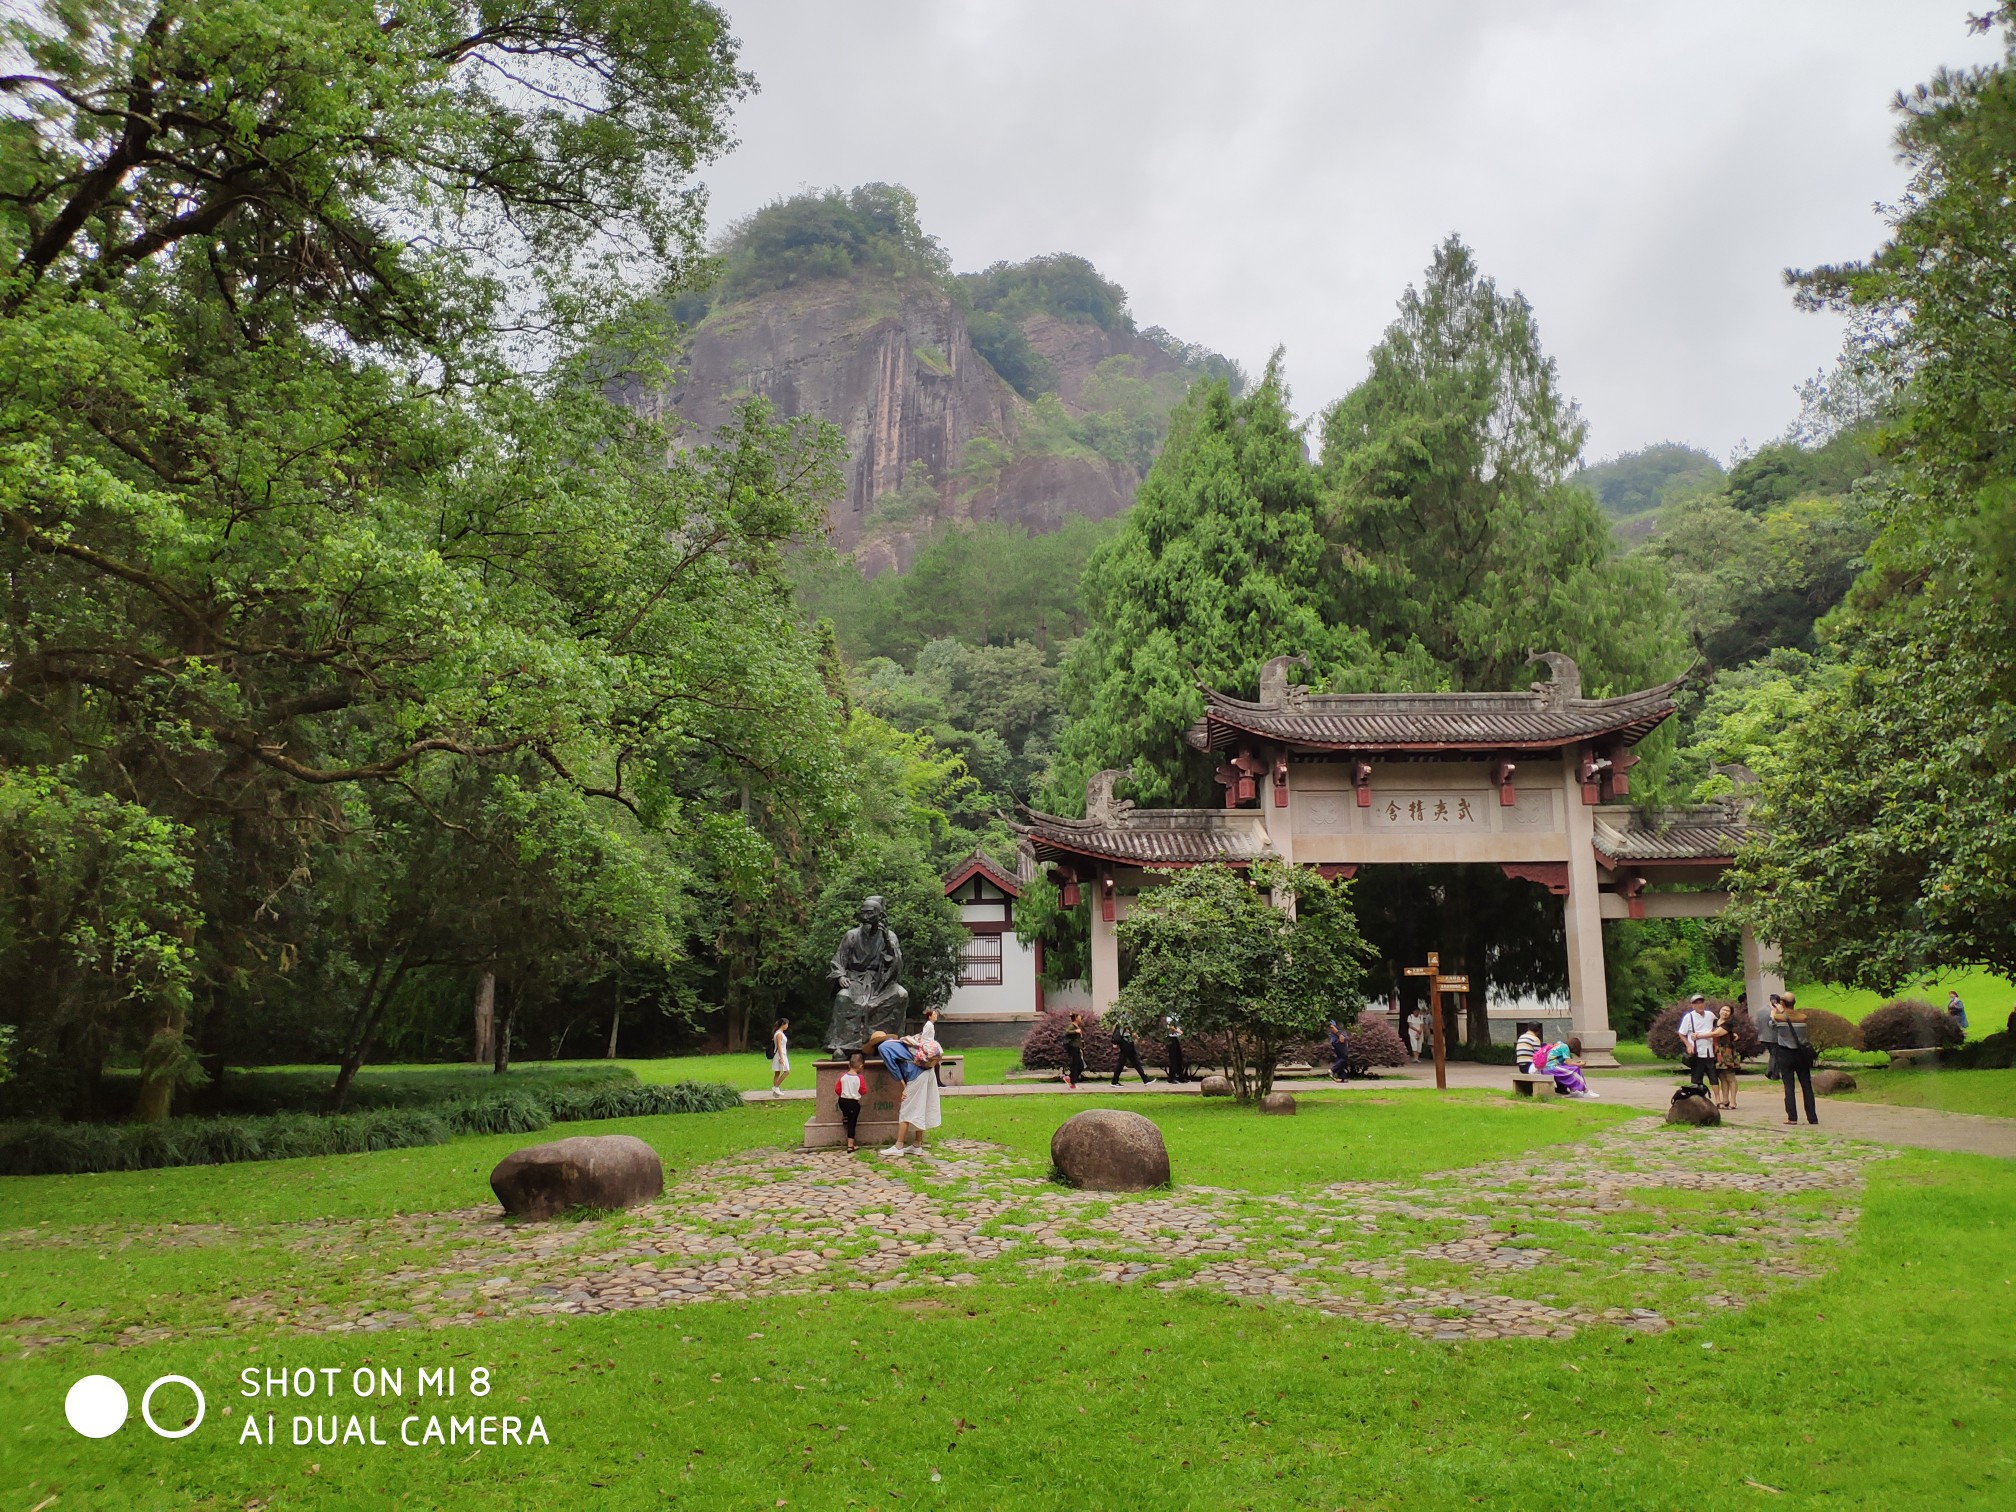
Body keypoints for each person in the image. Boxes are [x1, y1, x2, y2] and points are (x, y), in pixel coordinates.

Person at [869, 1030, 940, 1154]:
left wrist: (903, 1086)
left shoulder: (883, 1047)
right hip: (927, 1071)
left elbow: (893, 1068)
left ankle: (899, 1146)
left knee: (906, 1109)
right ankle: (917, 1144)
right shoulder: (898, 1042)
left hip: (915, 1074)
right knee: (920, 1107)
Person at [1773, 991, 1819, 1126]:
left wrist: (1775, 1012)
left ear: (1782, 1003)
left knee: (1789, 1086)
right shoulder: (1803, 1017)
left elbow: (1771, 1025)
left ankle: (1792, 1117)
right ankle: (1812, 1117)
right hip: (1801, 1054)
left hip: (1785, 1054)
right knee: (1806, 1085)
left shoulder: (1779, 1018)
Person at [1678, 994, 1718, 1090]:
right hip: (1697, 1051)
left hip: (1709, 1051)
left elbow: (1717, 1027)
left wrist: (1716, 1042)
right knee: (1696, 1078)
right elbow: (1681, 1033)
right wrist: (1688, 1045)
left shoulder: (1710, 1015)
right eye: (1696, 1003)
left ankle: (1718, 1100)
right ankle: (1696, 1099)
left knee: (1713, 1077)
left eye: (1701, 1002)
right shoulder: (1689, 1017)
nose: (1699, 1005)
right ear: (1692, 1005)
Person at [835, 1053, 866, 1153]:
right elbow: (863, 1090)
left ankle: (845, 1116)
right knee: (852, 1124)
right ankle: (850, 1145)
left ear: (849, 1065)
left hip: (842, 1101)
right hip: (853, 1103)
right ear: (861, 1066)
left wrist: (843, 1094)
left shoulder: (843, 1076)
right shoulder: (859, 1078)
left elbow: (837, 1089)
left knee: (846, 1110)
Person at [1713, 1003, 1742, 1111]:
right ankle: (1725, 1100)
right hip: (1716, 1052)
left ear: (1730, 1014)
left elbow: (1717, 1033)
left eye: (1727, 1011)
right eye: (1723, 1009)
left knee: (1730, 1077)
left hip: (1726, 1052)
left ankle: (1733, 1101)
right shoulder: (1714, 1022)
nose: (1725, 1012)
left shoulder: (1728, 1023)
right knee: (1722, 1076)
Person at [919, 1006, 944, 1086]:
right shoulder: (928, 1025)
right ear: (929, 1017)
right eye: (934, 1014)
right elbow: (924, 1036)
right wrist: (927, 1047)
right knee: (934, 1064)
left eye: (935, 1014)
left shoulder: (931, 1025)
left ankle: (937, 1082)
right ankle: (937, 1083)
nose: (935, 1015)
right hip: (928, 1048)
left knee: (936, 1064)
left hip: (930, 1046)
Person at [1063, 1012, 1086, 1090]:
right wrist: (1075, 1031)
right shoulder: (1072, 1026)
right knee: (1075, 1065)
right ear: (1076, 1018)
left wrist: (1081, 1048)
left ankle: (1069, 1078)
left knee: (1081, 1066)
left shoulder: (1077, 1026)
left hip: (1077, 1048)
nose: (1080, 1018)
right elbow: (1066, 1032)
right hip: (1073, 1048)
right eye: (1079, 1017)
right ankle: (1073, 1083)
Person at [770, 1018, 791, 1097]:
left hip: (781, 1054)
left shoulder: (779, 1033)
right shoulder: (779, 1034)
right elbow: (779, 1046)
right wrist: (781, 1058)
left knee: (777, 1072)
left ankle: (776, 1092)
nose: (787, 1026)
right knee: (786, 1071)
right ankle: (776, 1087)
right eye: (787, 1024)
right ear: (783, 1024)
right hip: (780, 1055)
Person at [1164, 1015, 1188, 1084]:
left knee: (1179, 1058)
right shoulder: (1169, 1015)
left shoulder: (1176, 1014)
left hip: (1175, 1038)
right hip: (1171, 1038)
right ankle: (1171, 1078)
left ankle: (1181, 1077)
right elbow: (1171, 1026)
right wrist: (1179, 1031)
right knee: (1173, 1059)